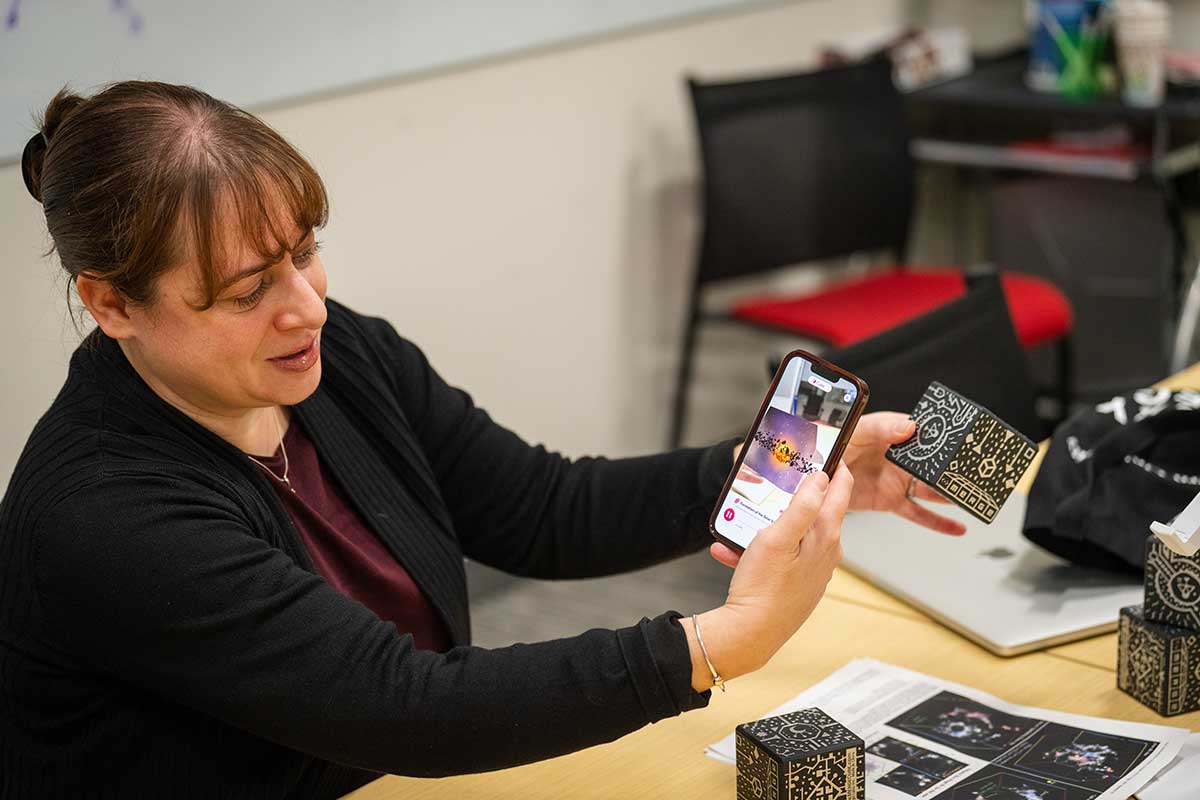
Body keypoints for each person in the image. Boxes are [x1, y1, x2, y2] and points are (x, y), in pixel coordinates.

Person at [0, 81, 964, 799]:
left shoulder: (334, 358)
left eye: (304, 252)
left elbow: (543, 509)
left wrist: (773, 468)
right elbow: (406, 707)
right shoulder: (104, 515)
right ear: (112, 305)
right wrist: (720, 642)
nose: (308, 306)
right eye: (250, 290)